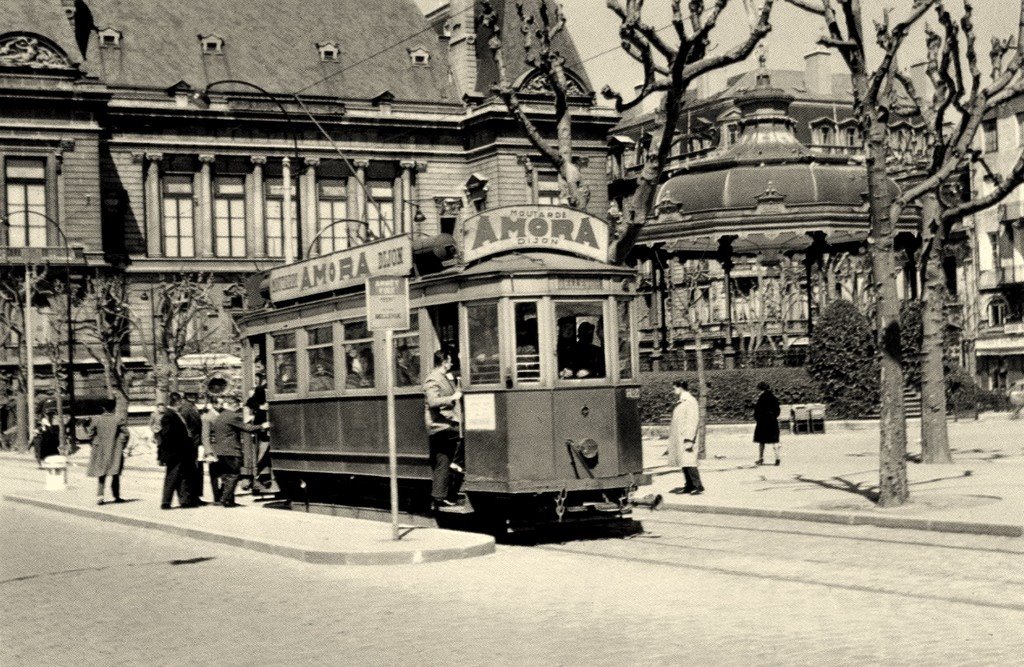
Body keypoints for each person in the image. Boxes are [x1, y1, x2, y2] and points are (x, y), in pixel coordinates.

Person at [423, 347, 464, 510]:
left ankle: (439, 497)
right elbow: (433, 401)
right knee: (466, 437)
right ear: (444, 362)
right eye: (450, 360)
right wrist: (452, 398)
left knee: (442, 460)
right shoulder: (432, 379)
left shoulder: (444, 377)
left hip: (446, 423)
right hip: (441, 425)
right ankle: (458, 462)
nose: (452, 363)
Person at [212, 395, 269, 508]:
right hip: (231, 451)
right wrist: (263, 426)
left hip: (220, 451)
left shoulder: (220, 416)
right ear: (233, 405)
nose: (238, 408)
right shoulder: (232, 416)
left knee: (226, 476)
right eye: (237, 405)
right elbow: (247, 428)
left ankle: (227, 499)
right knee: (233, 475)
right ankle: (226, 500)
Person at [158, 393, 197, 509]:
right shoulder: (169, 416)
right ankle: (166, 501)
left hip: (182, 452)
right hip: (175, 453)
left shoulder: (176, 414)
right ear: (177, 403)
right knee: (172, 476)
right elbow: (167, 435)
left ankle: (184, 500)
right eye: (180, 403)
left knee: (182, 476)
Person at [85, 404, 130, 505]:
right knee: (115, 473)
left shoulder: (97, 419)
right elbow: (126, 434)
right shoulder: (118, 419)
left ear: (103, 408)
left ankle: (100, 497)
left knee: (101, 473)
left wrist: (93, 444)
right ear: (114, 408)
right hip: (115, 449)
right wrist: (122, 444)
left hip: (100, 449)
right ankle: (116, 496)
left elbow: (90, 434)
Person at [668, 380, 703, 495]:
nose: (674, 391)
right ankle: (689, 485)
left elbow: (692, 420)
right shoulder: (683, 401)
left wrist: (689, 438)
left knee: (689, 461)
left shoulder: (689, 401)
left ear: (680, 388)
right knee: (685, 462)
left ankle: (697, 485)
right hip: (681, 436)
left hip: (687, 436)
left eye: (674, 388)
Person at [174, 392, 206, 503]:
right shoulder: (187, 408)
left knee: (194, 471)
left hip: (193, 443)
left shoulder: (190, 406)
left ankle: (193, 496)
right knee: (188, 471)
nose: (197, 397)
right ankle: (188, 498)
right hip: (190, 444)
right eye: (195, 395)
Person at [753, 381, 782, 466]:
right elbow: (778, 410)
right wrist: (774, 416)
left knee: (761, 441)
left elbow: (757, 410)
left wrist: (757, 418)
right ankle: (777, 458)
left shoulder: (761, 398)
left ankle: (761, 459)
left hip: (762, 421)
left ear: (760, 389)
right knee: (775, 440)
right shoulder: (774, 397)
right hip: (772, 420)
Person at [200, 399, 223, 503]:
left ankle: (223, 494)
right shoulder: (207, 417)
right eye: (220, 403)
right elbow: (205, 436)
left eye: (222, 403)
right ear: (214, 404)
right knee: (214, 474)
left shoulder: (224, 413)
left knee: (227, 472)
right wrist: (208, 452)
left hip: (224, 447)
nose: (222, 405)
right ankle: (217, 496)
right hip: (214, 447)